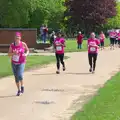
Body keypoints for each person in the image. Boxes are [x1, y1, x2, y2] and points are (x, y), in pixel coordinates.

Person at [8, 32, 29, 96]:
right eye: (16, 37)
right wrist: (13, 53)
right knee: (16, 77)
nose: (17, 39)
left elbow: (27, 50)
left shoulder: (23, 44)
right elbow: (8, 54)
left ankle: (22, 86)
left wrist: (26, 54)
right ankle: (19, 90)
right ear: (15, 38)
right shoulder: (12, 45)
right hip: (14, 63)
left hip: (21, 62)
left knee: (19, 75)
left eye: (18, 37)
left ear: (20, 38)